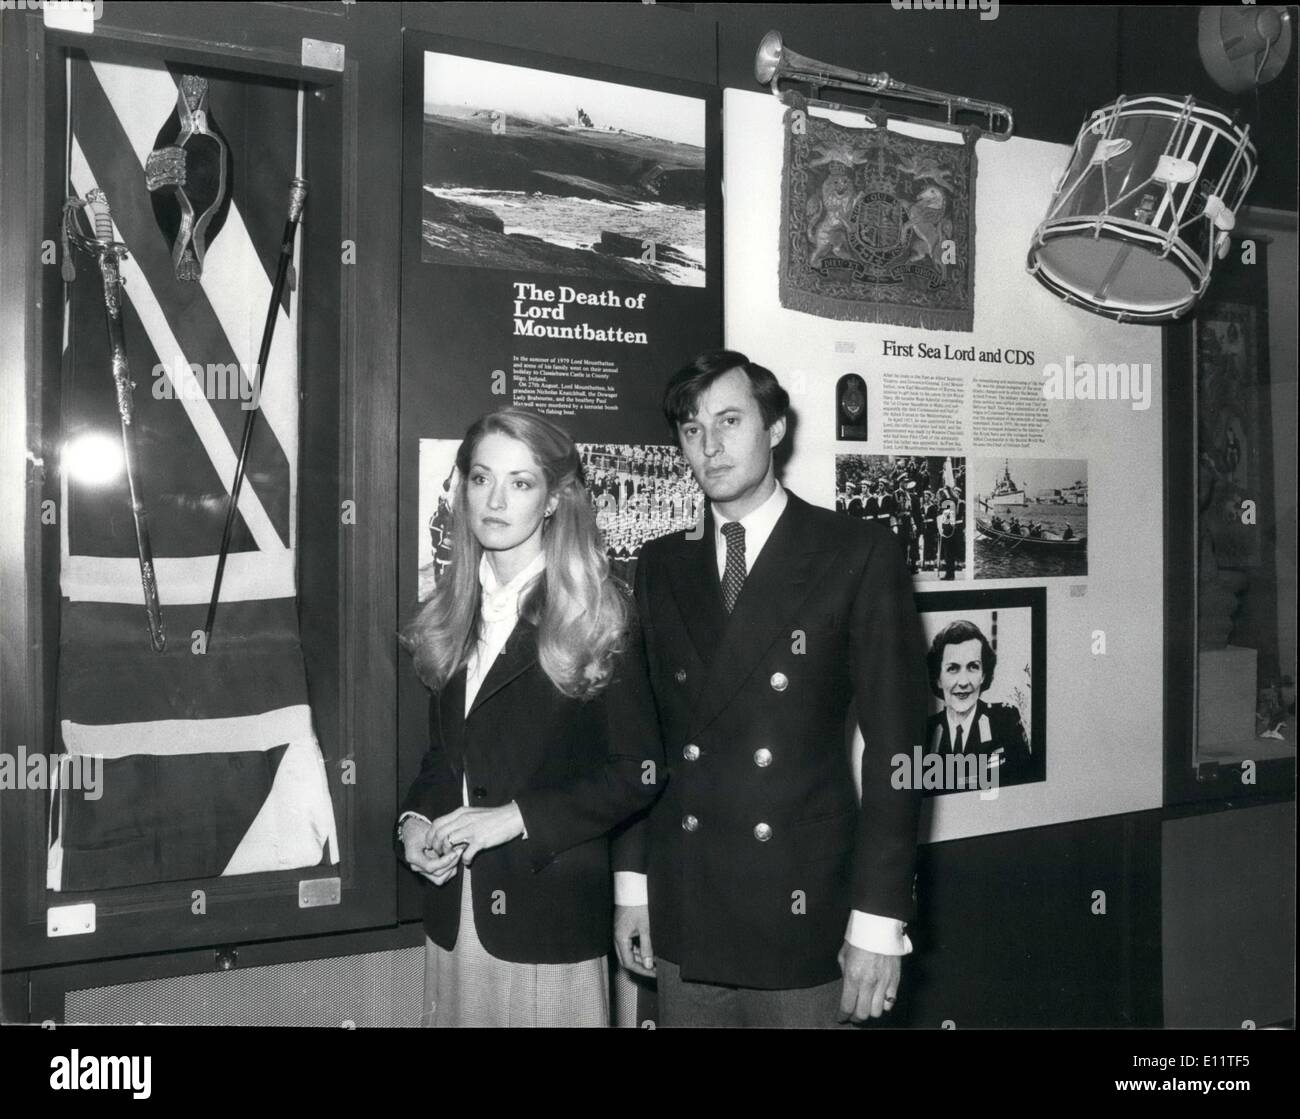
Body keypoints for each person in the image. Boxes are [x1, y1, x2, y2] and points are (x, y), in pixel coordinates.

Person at [612, 350, 928, 1028]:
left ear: (776, 428)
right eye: (692, 429)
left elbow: (900, 749)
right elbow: (643, 743)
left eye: (730, 420)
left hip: (804, 910)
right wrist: (633, 885)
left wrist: (878, 921)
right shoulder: (660, 563)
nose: (710, 446)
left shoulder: (855, 552)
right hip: (686, 906)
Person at [398, 408, 664, 1027]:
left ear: (551, 500)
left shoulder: (600, 611)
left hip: (546, 915)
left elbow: (641, 771)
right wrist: (414, 824)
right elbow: (446, 758)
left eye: (520, 483)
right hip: (454, 911)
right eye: (481, 478)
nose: (495, 500)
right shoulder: (453, 609)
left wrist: (515, 819)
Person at [923, 620, 1032, 789]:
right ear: (938, 678)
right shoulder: (926, 732)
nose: (964, 682)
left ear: (983, 675)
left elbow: (1025, 785)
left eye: (973, 667)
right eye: (953, 668)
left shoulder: (1005, 720)